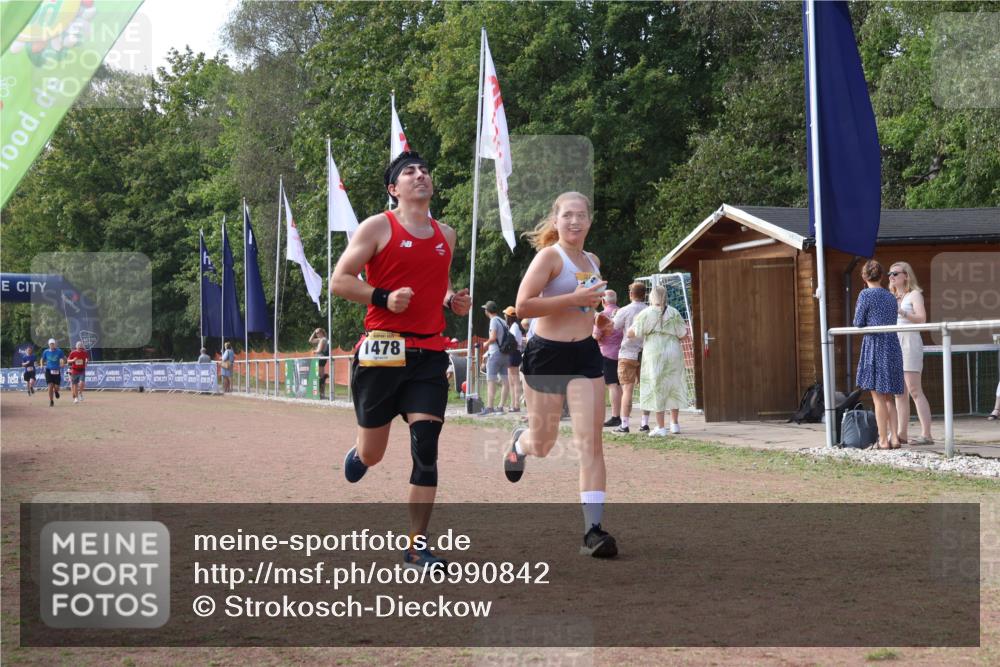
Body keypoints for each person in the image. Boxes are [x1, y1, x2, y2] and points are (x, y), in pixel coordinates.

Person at [330, 150, 472, 569]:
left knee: (426, 447)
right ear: (394, 189)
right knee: (373, 453)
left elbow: (436, 283)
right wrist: (382, 298)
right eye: (409, 172)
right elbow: (340, 280)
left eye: (424, 170)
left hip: (429, 352)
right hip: (381, 350)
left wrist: (451, 300)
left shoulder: (447, 233)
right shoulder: (378, 226)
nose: (419, 175)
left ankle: (416, 545)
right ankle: (360, 455)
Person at [505, 191, 617, 559]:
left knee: (591, 442)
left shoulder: (592, 260)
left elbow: (587, 303)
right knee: (544, 442)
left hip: (585, 354)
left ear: (590, 220)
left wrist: (596, 320)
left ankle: (593, 531)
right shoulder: (549, 258)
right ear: (556, 220)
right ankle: (520, 444)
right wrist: (574, 301)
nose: (574, 221)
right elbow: (523, 306)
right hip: (546, 355)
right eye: (567, 215)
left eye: (581, 215)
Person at [853, 260, 905, 449]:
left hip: (875, 344)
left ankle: (883, 440)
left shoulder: (865, 295)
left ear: (864, 277)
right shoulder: (890, 296)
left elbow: (858, 322)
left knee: (877, 397)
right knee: (889, 396)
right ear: (881, 276)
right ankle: (895, 438)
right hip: (892, 345)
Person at [627, 286, 688, 436]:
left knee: (656, 386)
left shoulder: (645, 313)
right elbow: (683, 334)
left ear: (651, 297)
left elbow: (632, 333)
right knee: (673, 384)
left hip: (654, 352)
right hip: (673, 351)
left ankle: (660, 427)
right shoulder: (674, 312)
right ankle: (675, 424)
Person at [888, 261, 933, 445]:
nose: (891, 277)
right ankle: (902, 434)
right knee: (899, 392)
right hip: (895, 342)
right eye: (890, 274)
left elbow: (922, 319)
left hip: (909, 342)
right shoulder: (891, 296)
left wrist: (902, 312)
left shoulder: (914, 295)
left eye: (895, 273)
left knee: (914, 390)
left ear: (906, 275)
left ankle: (927, 434)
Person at [612, 282, 650, 433]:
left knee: (627, 389)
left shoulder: (624, 310)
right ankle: (644, 423)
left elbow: (614, 327)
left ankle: (625, 424)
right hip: (646, 352)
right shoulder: (650, 311)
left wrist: (614, 316)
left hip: (628, 352)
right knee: (646, 388)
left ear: (630, 294)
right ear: (645, 294)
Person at [593, 290, 623, 427]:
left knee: (612, 385)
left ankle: (615, 416)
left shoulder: (602, 315)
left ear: (603, 301)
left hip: (607, 353)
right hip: (622, 352)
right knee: (620, 385)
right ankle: (623, 414)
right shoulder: (623, 312)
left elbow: (596, 336)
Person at [478, 301, 510, 415]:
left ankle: (490, 407)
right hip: (505, 353)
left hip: (495, 353)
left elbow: (493, 338)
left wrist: (485, 344)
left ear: (487, 311)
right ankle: (501, 406)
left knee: (491, 380)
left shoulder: (493, 321)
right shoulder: (503, 321)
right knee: (506, 381)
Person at [503, 306, 524, 412]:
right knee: (511, 380)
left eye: (505, 315)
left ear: (509, 317)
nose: (504, 316)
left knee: (515, 381)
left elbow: (513, 343)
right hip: (513, 354)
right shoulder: (514, 326)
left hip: (513, 354)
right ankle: (513, 404)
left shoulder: (514, 327)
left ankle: (516, 405)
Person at [40, 338, 66, 407]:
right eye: (50, 344)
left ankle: (56, 391)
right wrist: (42, 365)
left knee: (56, 386)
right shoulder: (46, 352)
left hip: (57, 370)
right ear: (49, 345)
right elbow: (42, 359)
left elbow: (62, 358)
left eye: (53, 344)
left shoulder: (59, 351)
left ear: (55, 344)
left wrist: (62, 363)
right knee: (50, 386)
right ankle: (51, 401)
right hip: (48, 370)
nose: (52, 345)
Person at [310, 328, 331, 400]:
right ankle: (321, 394)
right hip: (320, 359)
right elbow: (310, 340)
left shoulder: (323, 339)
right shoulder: (320, 339)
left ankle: (322, 394)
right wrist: (314, 331)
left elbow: (319, 350)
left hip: (320, 358)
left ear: (321, 333)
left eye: (318, 333)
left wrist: (314, 351)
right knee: (321, 377)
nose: (317, 334)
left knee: (320, 377)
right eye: (316, 333)